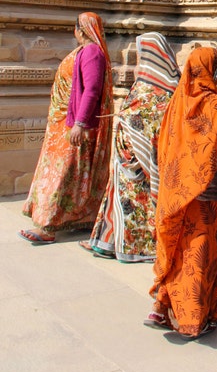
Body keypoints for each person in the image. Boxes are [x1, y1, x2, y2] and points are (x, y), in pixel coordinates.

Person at [145, 47, 217, 340]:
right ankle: (194, 319)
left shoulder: (176, 105)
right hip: (209, 201)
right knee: (202, 259)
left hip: (177, 196)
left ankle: (162, 307)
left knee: (178, 251)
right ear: (211, 72)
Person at [82, 33, 180, 262]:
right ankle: (109, 242)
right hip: (131, 160)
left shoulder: (158, 92)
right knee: (122, 200)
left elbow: (151, 128)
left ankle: (136, 248)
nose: (137, 64)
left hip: (143, 163)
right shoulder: (162, 89)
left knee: (136, 204)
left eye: (141, 57)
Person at [20, 13, 113, 244]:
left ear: (80, 30)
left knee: (64, 173)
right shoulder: (86, 52)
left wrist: (80, 124)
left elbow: (91, 90)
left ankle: (49, 226)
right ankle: (75, 219)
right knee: (64, 172)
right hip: (65, 124)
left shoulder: (92, 53)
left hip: (75, 127)